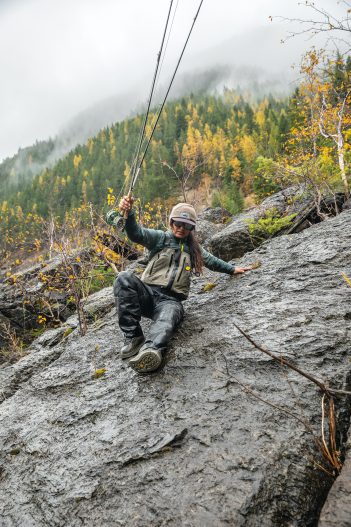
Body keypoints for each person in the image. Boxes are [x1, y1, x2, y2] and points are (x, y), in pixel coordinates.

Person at [107, 196, 252, 374]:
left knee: (167, 319)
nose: (182, 229)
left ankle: (150, 351)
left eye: (187, 225)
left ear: (192, 228)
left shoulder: (195, 249)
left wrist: (232, 269)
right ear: (171, 222)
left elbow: (212, 262)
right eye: (178, 223)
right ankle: (133, 337)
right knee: (123, 278)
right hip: (148, 293)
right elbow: (136, 234)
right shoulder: (159, 239)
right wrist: (129, 214)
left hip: (170, 301)